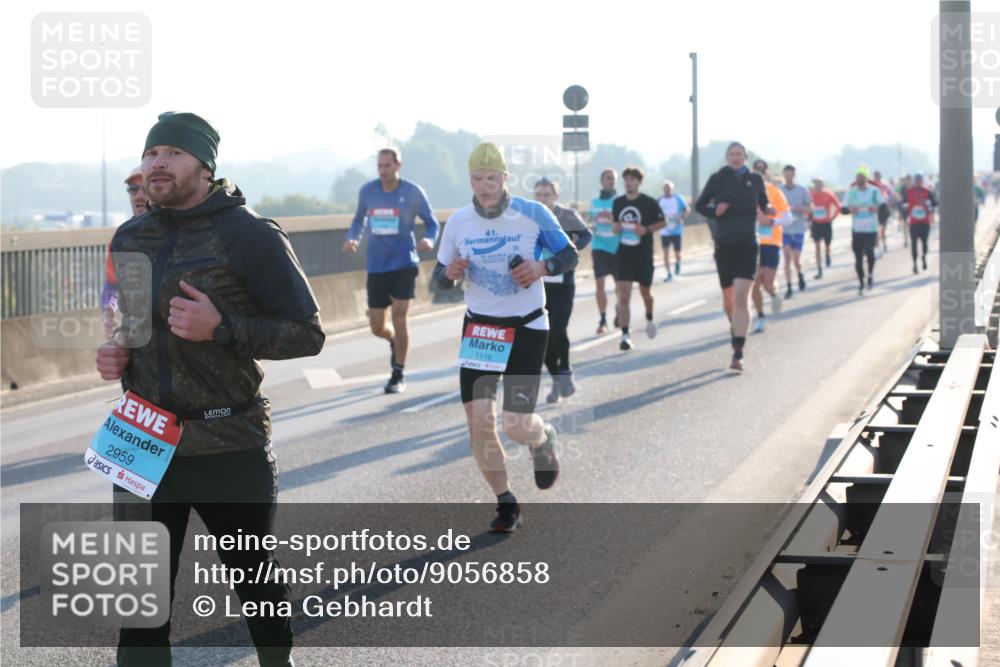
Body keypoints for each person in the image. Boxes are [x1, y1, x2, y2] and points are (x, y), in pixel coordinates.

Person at [96, 111, 325, 667]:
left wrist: (222, 329)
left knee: (256, 584)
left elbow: (307, 333)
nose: (156, 163)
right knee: (138, 606)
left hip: (228, 439)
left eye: (172, 153)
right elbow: (131, 325)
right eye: (151, 154)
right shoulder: (130, 236)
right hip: (141, 439)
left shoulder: (248, 235)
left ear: (204, 165)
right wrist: (115, 352)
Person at [433, 142, 578, 533]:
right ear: (470, 180)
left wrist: (541, 266)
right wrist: (450, 273)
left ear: (505, 178)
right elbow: (437, 278)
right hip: (482, 329)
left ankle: (542, 437)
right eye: (477, 179)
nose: (485, 186)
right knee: (480, 422)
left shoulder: (533, 213)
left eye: (491, 178)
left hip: (528, 326)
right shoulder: (459, 222)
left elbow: (569, 255)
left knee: (515, 424)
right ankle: (506, 503)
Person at [344, 148, 439, 393]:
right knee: (377, 326)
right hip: (376, 265)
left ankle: (398, 372)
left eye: (388, 166)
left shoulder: (412, 192)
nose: (383, 171)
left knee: (399, 316)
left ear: (398, 165)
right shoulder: (368, 191)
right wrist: (353, 238)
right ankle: (394, 341)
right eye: (380, 166)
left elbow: (432, 223)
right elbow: (358, 220)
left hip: (404, 263)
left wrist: (429, 240)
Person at [695, 142, 770, 371]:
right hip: (724, 244)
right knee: (728, 300)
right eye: (732, 154)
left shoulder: (756, 180)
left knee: (740, 298)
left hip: (748, 243)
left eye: (739, 154)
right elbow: (699, 205)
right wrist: (714, 212)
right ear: (727, 157)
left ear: (745, 157)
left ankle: (738, 352)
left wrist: (767, 212)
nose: (735, 158)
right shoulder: (718, 178)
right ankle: (735, 327)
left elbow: (764, 205)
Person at [533, 178, 592, 403]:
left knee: (558, 330)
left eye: (546, 195)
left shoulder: (567, 216)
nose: (541, 199)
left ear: (555, 196)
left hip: (563, 283)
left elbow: (587, 234)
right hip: (539, 285)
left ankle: (565, 370)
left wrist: (571, 247)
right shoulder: (530, 217)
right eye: (537, 194)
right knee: (543, 336)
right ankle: (557, 381)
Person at [613, 166, 666, 350]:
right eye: (626, 179)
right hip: (624, 254)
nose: (629, 182)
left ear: (639, 182)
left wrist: (647, 229)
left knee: (645, 293)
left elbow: (663, 221)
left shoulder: (649, 202)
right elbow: (615, 224)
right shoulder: (618, 202)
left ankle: (650, 318)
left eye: (633, 179)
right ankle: (625, 335)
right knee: (624, 295)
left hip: (643, 255)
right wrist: (616, 227)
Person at [102, 167, 148, 338]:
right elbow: (112, 283)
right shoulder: (121, 239)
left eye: (146, 188)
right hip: (137, 343)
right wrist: (108, 309)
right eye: (133, 189)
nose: (139, 196)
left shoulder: (182, 234)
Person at [751, 160, 787, 333]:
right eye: (755, 171)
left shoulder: (775, 192)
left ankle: (773, 293)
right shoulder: (746, 192)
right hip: (752, 243)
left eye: (762, 171)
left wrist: (771, 221)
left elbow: (788, 218)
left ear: (767, 173)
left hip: (771, 242)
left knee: (767, 284)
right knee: (755, 282)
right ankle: (760, 316)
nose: (759, 173)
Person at [844, 165, 886, 294]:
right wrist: (851, 209)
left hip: (871, 228)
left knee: (869, 252)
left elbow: (883, 207)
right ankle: (861, 282)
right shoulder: (851, 192)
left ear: (866, 178)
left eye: (862, 176)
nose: (859, 178)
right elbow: (843, 209)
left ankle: (870, 274)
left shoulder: (874, 191)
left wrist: (876, 209)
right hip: (857, 229)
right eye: (858, 177)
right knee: (858, 257)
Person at [589, 168, 619, 333]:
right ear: (602, 181)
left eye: (613, 179)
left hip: (617, 248)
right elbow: (590, 221)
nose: (611, 181)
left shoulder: (620, 201)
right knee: (599, 283)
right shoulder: (594, 202)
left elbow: (625, 223)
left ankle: (619, 308)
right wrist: (590, 226)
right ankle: (602, 319)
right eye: (608, 178)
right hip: (599, 246)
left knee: (619, 285)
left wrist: (613, 219)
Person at [779, 165, 811, 294]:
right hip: (785, 229)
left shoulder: (802, 190)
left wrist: (800, 209)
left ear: (794, 175)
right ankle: (789, 286)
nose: (788, 177)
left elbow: (810, 208)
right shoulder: (779, 190)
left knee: (796, 259)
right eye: (786, 174)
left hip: (798, 228)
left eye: (790, 174)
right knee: (787, 257)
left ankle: (800, 274)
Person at [658, 180, 689, 282]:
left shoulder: (678, 198)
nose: (667, 190)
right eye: (665, 188)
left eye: (669, 188)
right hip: (664, 231)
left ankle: (677, 263)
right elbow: (654, 213)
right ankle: (669, 274)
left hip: (676, 229)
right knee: (665, 252)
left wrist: (682, 218)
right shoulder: (660, 200)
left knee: (677, 253)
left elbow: (686, 209)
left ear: (672, 189)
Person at [809, 177, 840, 279]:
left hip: (826, 223)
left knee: (827, 244)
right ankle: (819, 269)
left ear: (822, 185)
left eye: (819, 184)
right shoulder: (811, 195)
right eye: (816, 184)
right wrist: (808, 217)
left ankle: (827, 254)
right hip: (816, 224)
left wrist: (832, 218)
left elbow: (838, 207)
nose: (817, 186)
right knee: (817, 247)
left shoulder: (828, 194)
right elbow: (807, 207)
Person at [906, 172, 937, 274]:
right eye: (916, 180)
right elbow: (903, 203)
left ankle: (923, 257)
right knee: (914, 244)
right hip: (913, 222)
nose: (918, 182)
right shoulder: (909, 192)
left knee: (924, 243)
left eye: (919, 180)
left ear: (921, 181)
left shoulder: (927, 192)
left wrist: (929, 205)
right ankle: (914, 263)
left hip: (924, 222)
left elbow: (934, 203)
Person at [871, 169, 895, 253]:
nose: (877, 177)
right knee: (876, 229)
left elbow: (891, 194)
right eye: (875, 176)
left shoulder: (885, 185)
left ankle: (884, 244)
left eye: (878, 176)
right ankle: (877, 246)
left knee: (883, 229)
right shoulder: (872, 185)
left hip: (883, 208)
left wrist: (890, 202)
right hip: (874, 209)